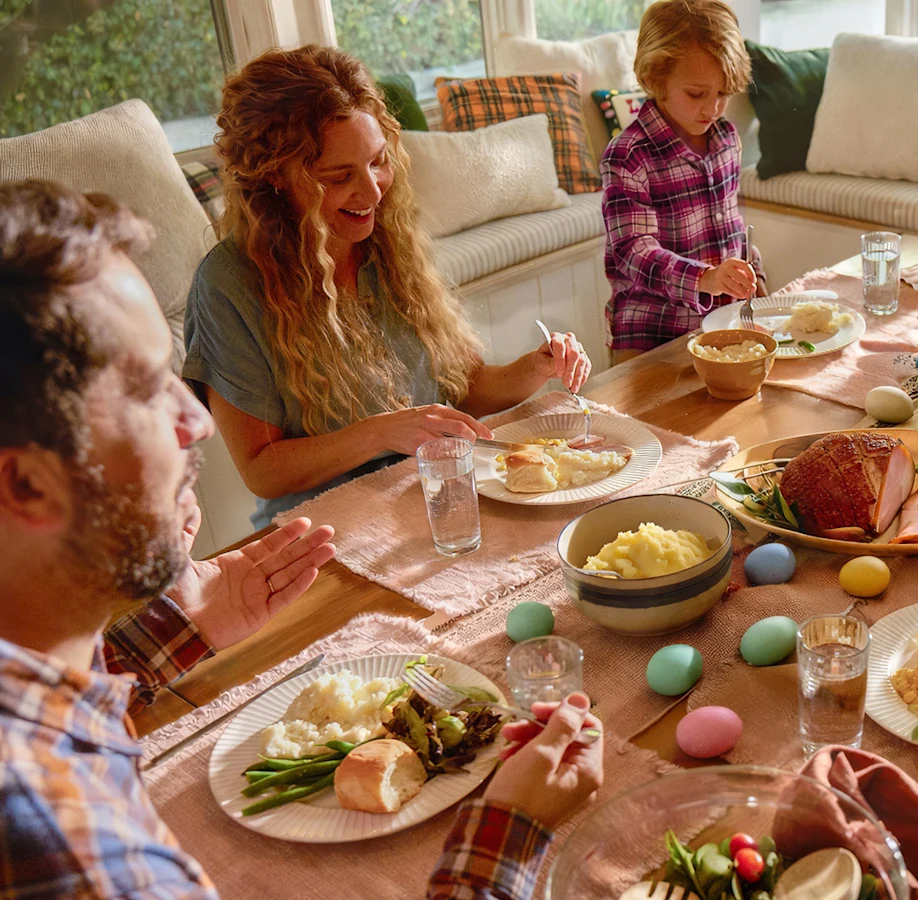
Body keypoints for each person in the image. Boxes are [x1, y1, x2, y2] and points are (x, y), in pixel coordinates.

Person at [0, 179, 605, 898]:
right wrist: (512, 829)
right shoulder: (62, 838)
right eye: (143, 391)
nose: (197, 423)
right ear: (27, 484)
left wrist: (166, 636)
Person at [186, 45, 592, 530]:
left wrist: (536, 367)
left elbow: (462, 389)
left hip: (432, 499)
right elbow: (263, 470)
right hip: (321, 531)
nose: (373, 191)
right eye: (339, 176)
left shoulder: (388, 241)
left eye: (378, 161)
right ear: (275, 175)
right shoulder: (229, 284)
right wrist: (380, 433)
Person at [601, 0, 764, 363]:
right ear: (656, 78)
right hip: (650, 341)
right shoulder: (628, 155)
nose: (713, 108)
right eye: (696, 93)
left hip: (718, 330)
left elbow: (730, 226)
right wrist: (706, 279)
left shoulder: (725, 138)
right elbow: (634, 252)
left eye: (723, 93)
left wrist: (755, 275)